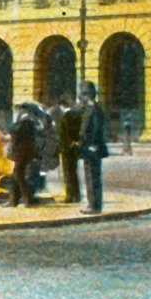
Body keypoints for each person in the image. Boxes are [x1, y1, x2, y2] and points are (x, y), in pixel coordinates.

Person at [79, 83, 109, 214]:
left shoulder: (94, 109)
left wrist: (91, 146)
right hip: (89, 149)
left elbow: (96, 130)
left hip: (93, 149)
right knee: (90, 176)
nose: (81, 98)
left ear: (88, 95)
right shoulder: (90, 109)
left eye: (83, 95)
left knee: (92, 177)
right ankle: (93, 204)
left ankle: (94, 205)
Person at [6, 105, 40, 207]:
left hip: (22, 153)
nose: (16, 112)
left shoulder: (26, 122)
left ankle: (27, 199)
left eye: (17, 110)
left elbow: (13, 130)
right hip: (19, 153)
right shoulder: (24, 121)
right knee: (15, 176)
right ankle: (13, 201)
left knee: (18, 175)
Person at [56, 95, 82, 204]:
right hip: (74, 147)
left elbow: (64, 133)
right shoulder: (76, 114)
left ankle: (70, 195)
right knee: (73, 172)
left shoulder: (66, 116)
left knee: (67, 173)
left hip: (66, 148)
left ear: (62, 106)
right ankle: (76, 195)